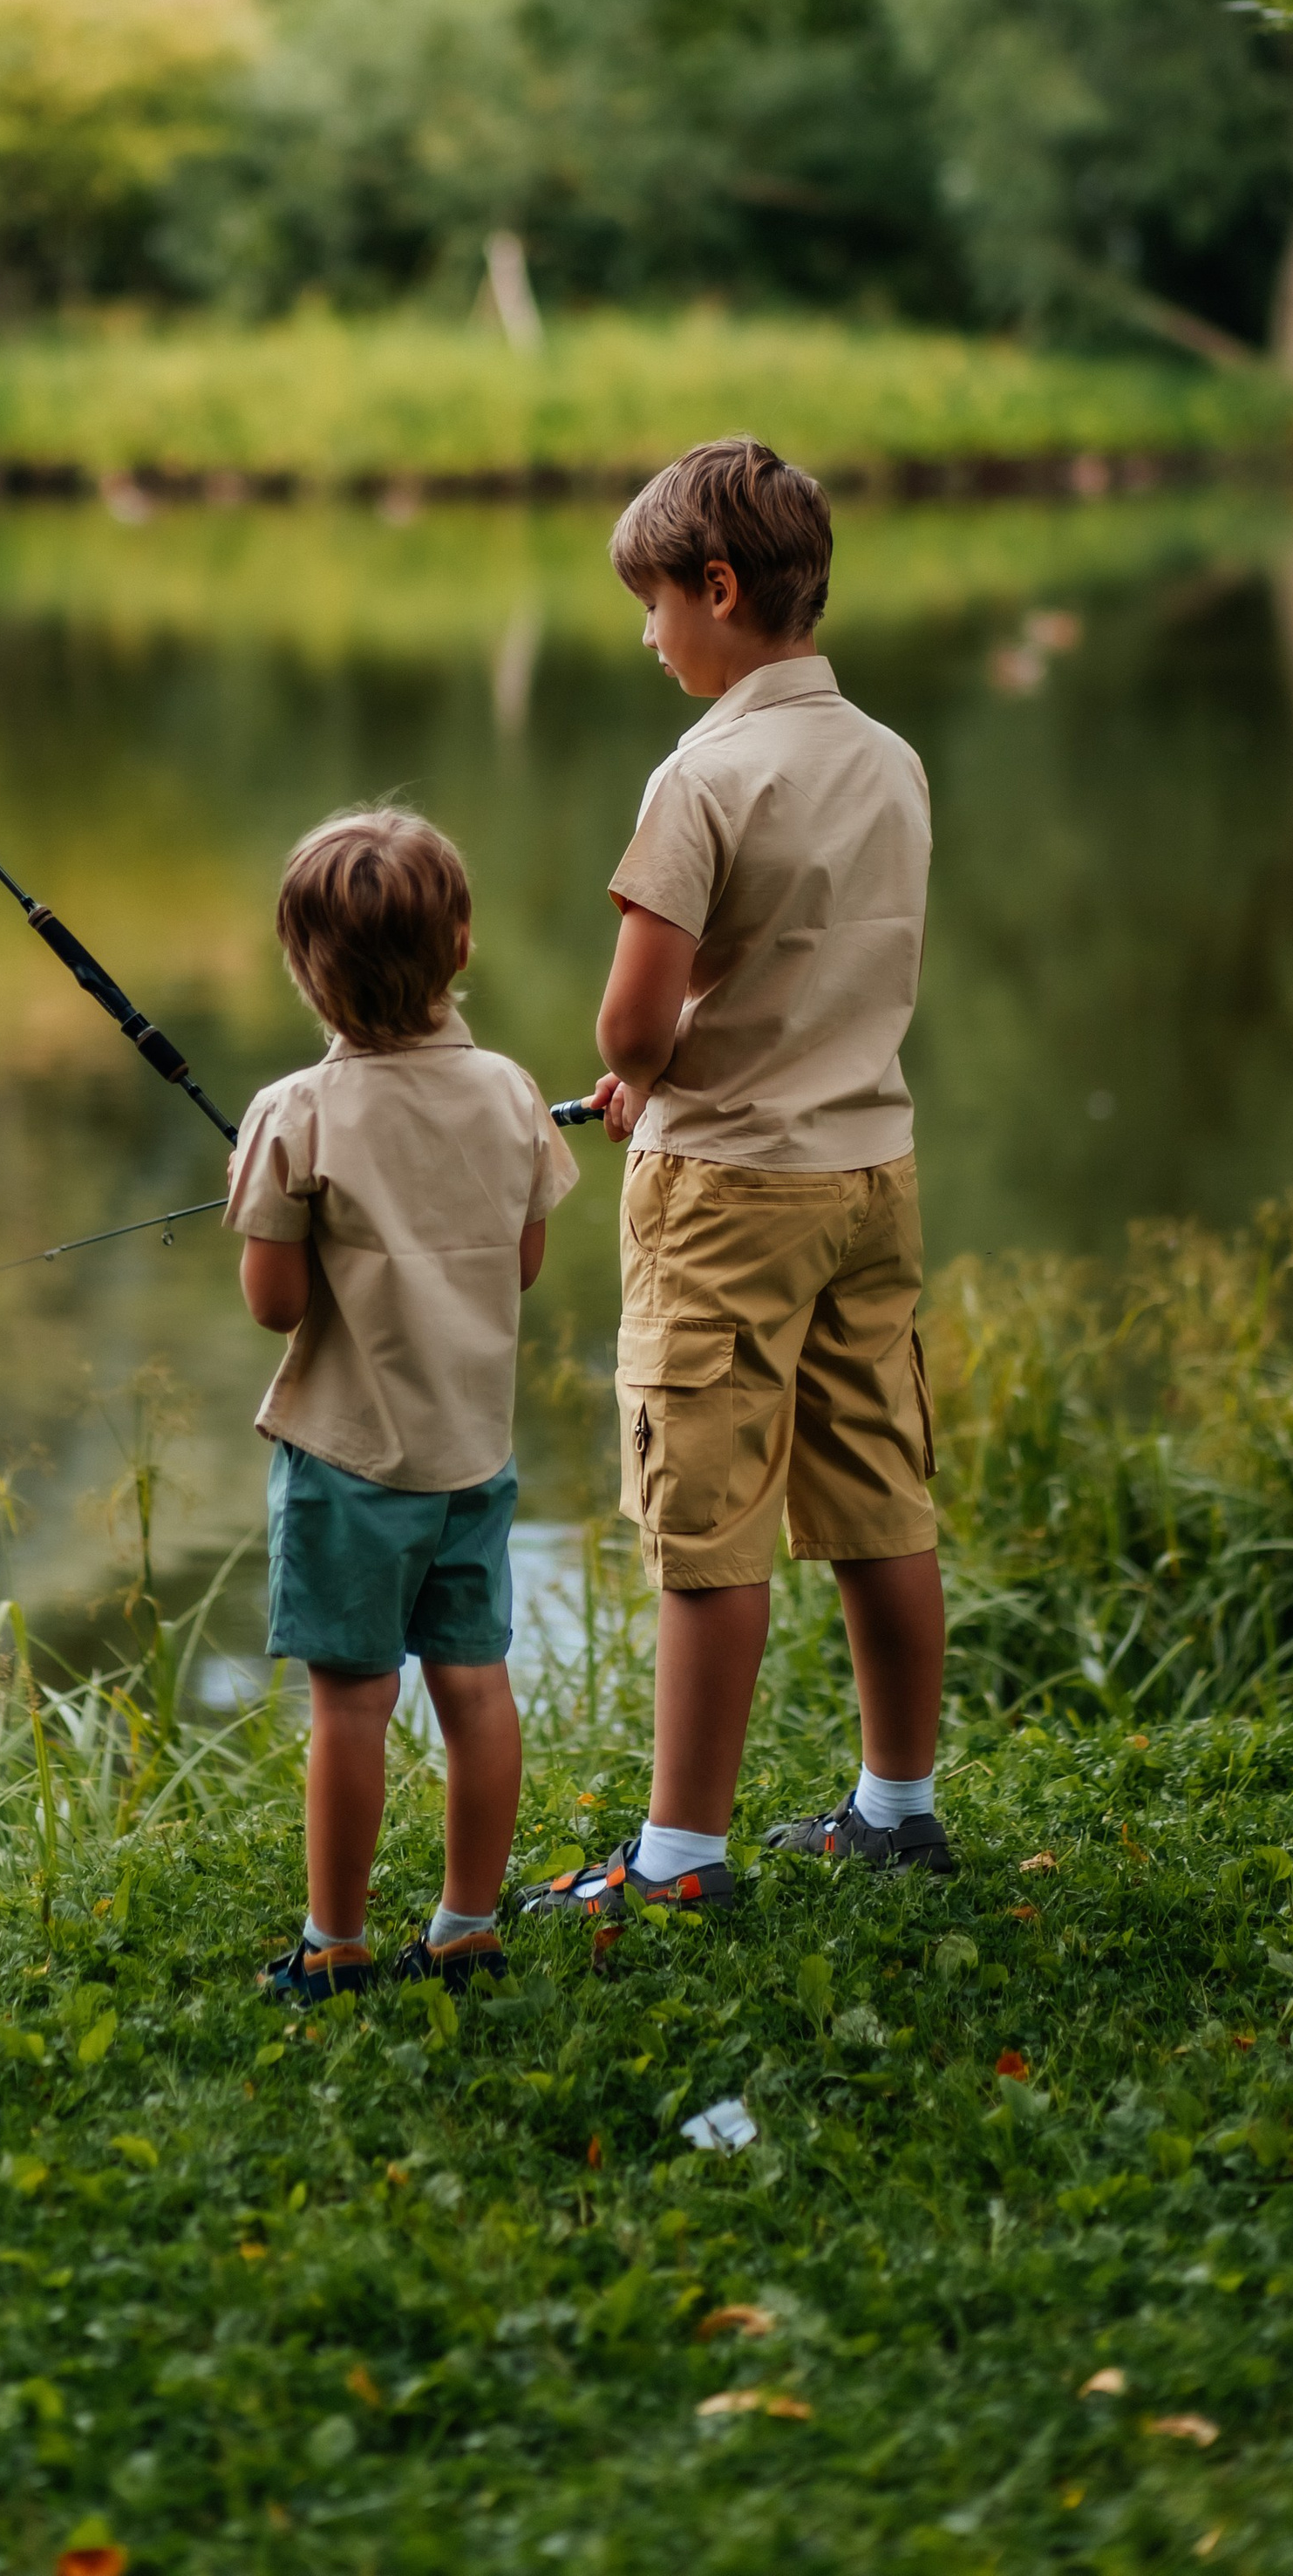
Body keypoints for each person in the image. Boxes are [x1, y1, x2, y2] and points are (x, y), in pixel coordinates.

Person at [521, 437, 949, 1932]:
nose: (649, 636)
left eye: (656, 605)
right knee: (884, 1499)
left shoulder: (704, 773)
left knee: (706, 1527)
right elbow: (826, 967)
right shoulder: (888, 758)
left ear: (718, 587)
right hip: (869, 1175)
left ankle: (677, 1854)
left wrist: (657, 1057)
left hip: (728, 1192)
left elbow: (632, 1030)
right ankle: (900, 1809)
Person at [226, 808, 580, 2002]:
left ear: (302, 970)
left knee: (352, 1705)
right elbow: (519, 1264)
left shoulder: (293, 1115)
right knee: (474, 1688)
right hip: (472, 1459)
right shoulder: (514, 1094)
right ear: (463, 946)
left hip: (350, 1463)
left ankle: (335, 1945)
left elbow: (275, 1307)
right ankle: (468, 1924)